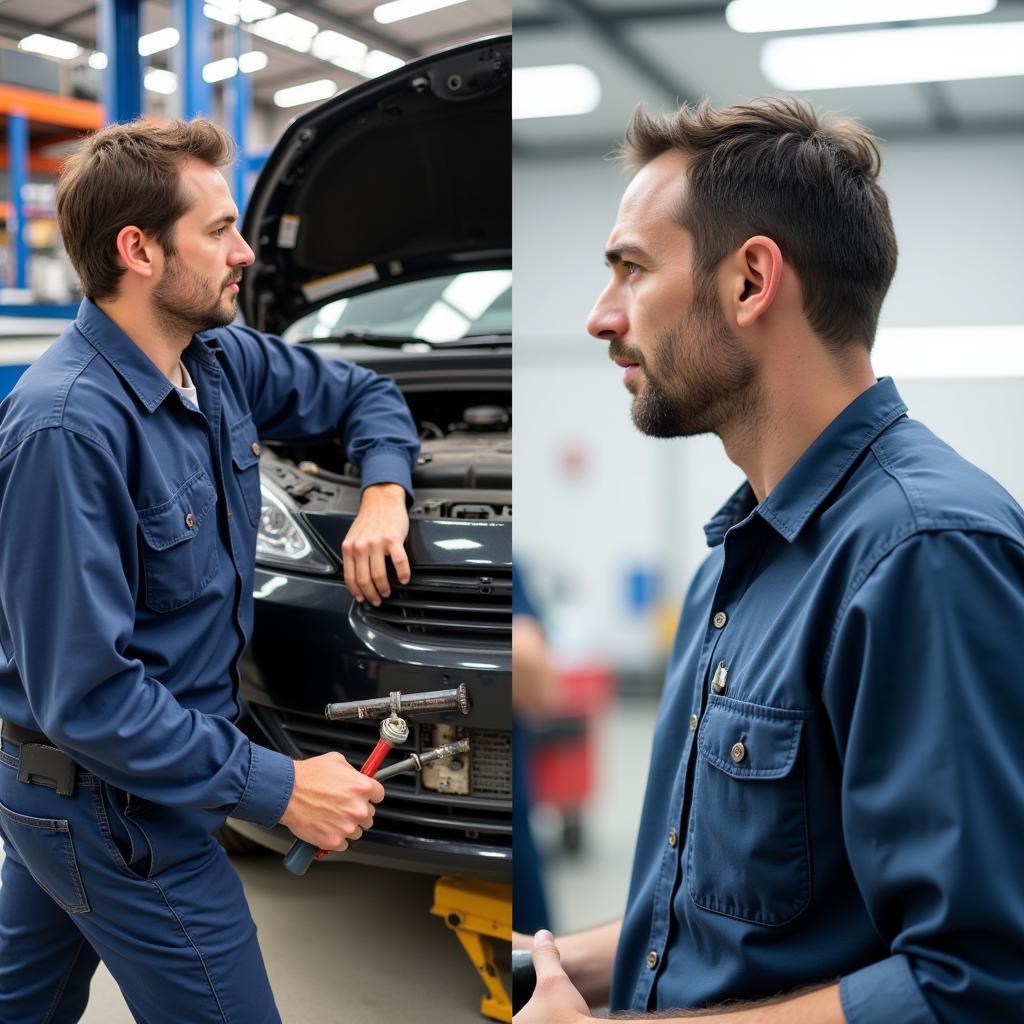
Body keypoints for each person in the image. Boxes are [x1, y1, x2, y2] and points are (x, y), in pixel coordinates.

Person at [513, 98, 1024, 1023]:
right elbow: (729, 927)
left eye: (631, 269)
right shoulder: (738, 564)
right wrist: (552, 963)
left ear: (751, 280)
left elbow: (975, 989)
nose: (600, 316)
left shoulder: (924, 554)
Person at [0, 118, 420, 1022]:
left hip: (93, 784)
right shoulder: (67, 430)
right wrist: (283, 788)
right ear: (138, 250)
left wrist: (385, 490)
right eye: (220, 230)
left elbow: (365, 395)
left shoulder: (217, 361)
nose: (242, 254)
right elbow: (90, 698)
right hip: (115, 806)